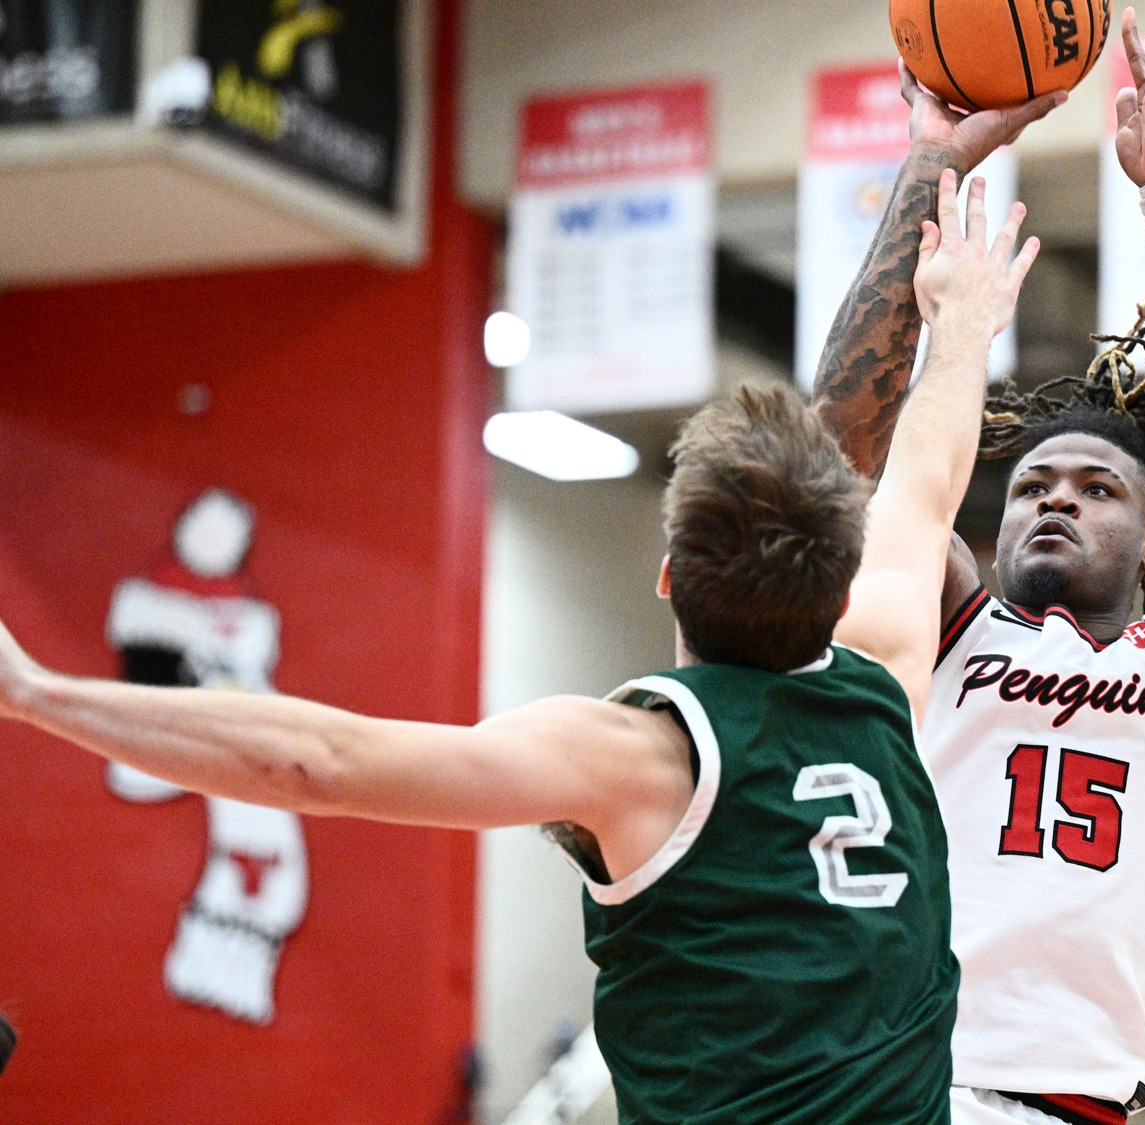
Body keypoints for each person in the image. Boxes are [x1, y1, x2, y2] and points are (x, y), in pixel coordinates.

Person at [0, 180, 1041, 1124]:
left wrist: (39, 691)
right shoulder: (887, 673)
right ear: (837, 583)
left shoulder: (640, 758)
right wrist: (964, 324)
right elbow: (927, 480)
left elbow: (317, 760)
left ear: (668, 575)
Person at [813, 1, 1145, 1119]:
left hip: (1068, 1098)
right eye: (1030, 485)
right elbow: (831, 461)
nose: (1053, 500)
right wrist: (926, 170)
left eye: (1096, 489)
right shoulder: (940, 627)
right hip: (895, 1081)